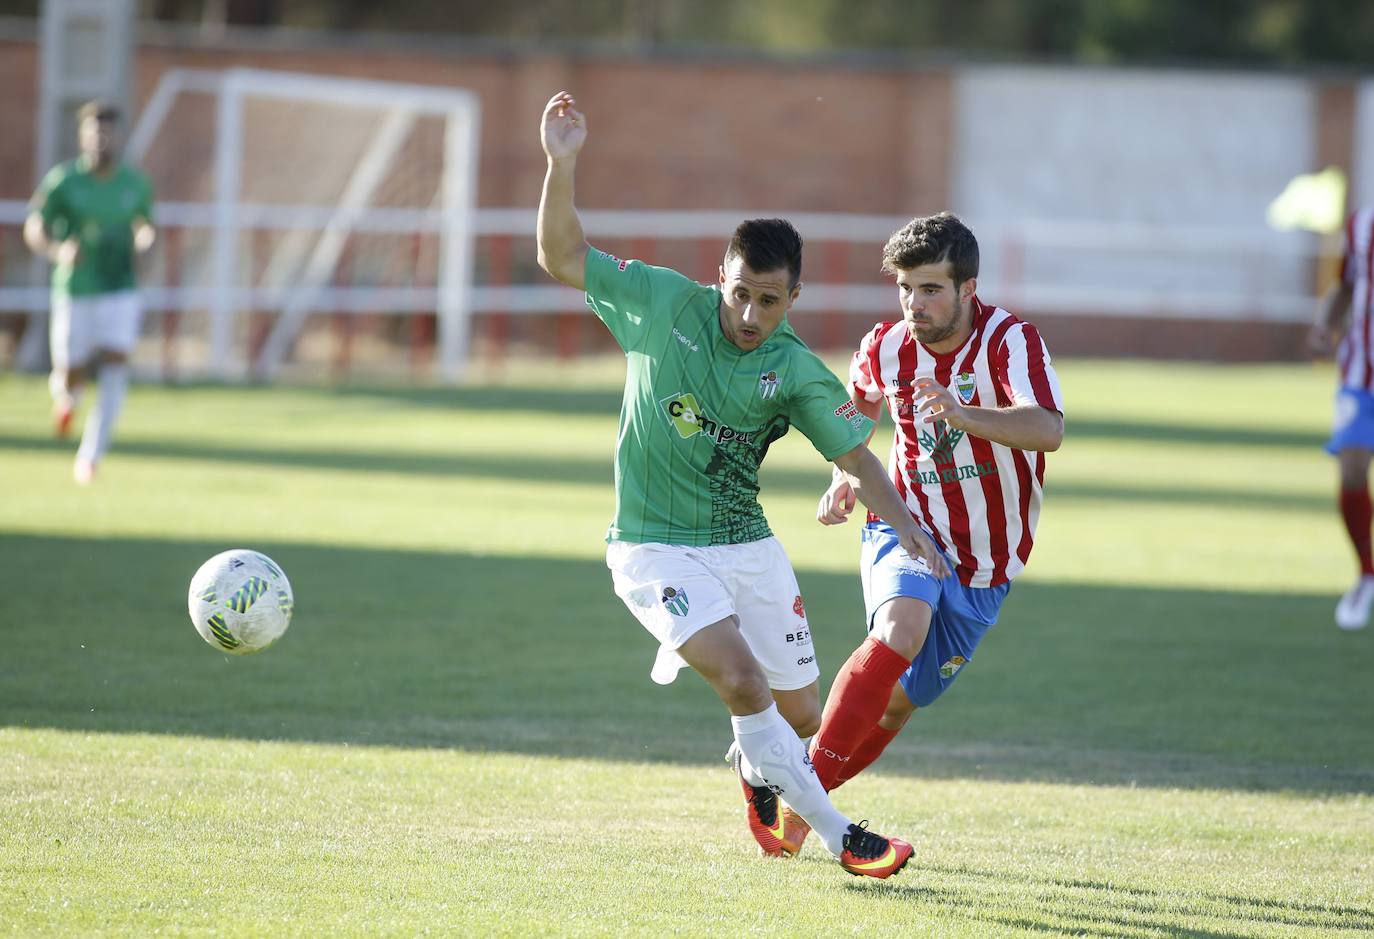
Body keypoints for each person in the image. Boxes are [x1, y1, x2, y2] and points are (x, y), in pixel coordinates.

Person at [536, 91, 947, 879]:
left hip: (745, 545)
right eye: (740, 293)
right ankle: (842, 836)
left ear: (793, 299)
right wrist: (562, 163)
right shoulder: (660, 303)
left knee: (800, 715)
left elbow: (859, 458)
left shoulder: (793, 368)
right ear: (717, 276)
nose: (750, 314)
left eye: (769, 300)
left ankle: (755, 768)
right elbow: (562, 256)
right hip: (653, 547)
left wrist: (909, 531)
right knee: (741, 680)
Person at [775, 213, 1064, 851]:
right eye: (905, 287)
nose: (914, 304)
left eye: (930, 289)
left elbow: (1047, 429)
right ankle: (798, 804)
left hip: (988, 563)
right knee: (901, 629)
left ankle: (797, 802)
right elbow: (857, 406)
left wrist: (965, 413)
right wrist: (845, 475)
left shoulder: (1010, 341)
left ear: (968, 288)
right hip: (907, 522)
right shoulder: (886, 344)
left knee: (900, 705)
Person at [24, 100, 155, 485]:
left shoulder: (135, 183)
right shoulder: (63, 181)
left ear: (119, 137)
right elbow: (35, 226)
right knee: (71, 373)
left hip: (120, 288)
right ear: (83, 137)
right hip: (76, 289)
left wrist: (145, 241)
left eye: (108, 132)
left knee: (115, 363)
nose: (102, 139)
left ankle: (90, 456)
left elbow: (146, 225)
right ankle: (67, 399)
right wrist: (58, 250)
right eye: (95, 132)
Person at [1310, 205, 1374, 630]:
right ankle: (1367, 573)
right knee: (1351, 469)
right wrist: (1324, 325)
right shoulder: (1361, 222)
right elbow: (1346, 284)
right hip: (1360, 372)